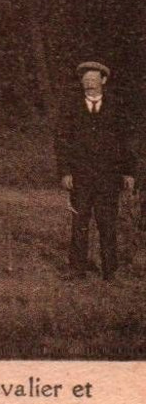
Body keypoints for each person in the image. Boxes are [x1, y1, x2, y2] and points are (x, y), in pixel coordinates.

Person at [57, 60, 138, 281]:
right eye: (85, 81)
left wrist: (129, 172)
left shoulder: (117, 108)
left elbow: (127, 142)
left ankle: (110, 272)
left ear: (103, 81)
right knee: (79, 225)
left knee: (108, 224)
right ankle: (77, 271)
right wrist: (65, 172)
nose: (89, 84)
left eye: (93, 80)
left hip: (108, 179)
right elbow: (62, 142)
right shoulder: (71, 109)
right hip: (80, 179)